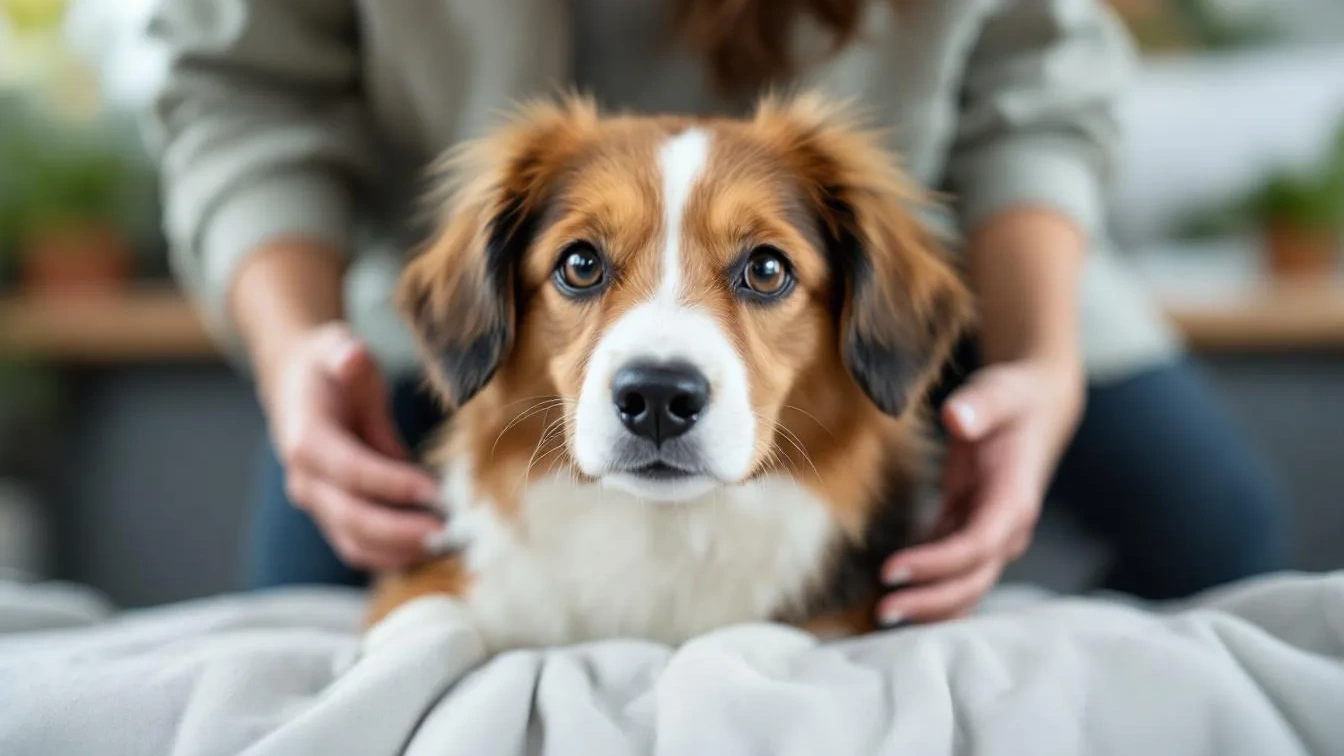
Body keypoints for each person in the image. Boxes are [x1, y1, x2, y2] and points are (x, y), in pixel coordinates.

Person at [147, 0, 1288, 621]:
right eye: (589, 262)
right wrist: (296, 348)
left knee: (1224, 536)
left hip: (927, 255)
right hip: (494, 311)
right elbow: (241, 89)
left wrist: (1043, 359)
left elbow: (1038, 85)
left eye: (758, 273)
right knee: (293, 625)